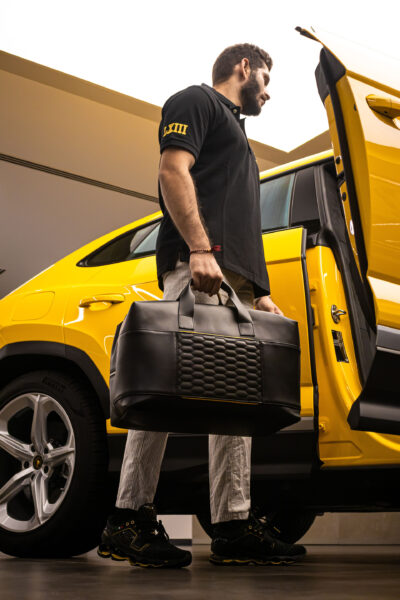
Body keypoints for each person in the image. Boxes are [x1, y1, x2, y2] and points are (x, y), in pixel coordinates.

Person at [98, 43, 306, 568]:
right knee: (163, 383)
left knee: (234, 397)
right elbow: (173, 171)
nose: (268, 90)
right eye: (265, 77)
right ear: (244, 66)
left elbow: (239, 223)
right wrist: (197, 248)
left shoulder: (239, 138)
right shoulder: (195, 101)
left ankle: (232, 523)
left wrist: (259, 291)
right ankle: (127, 516)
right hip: (199, 268)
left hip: (231, 279)